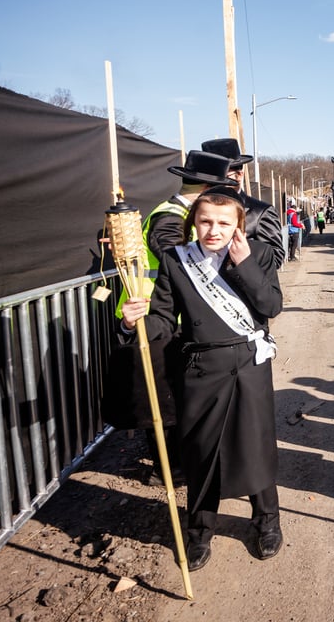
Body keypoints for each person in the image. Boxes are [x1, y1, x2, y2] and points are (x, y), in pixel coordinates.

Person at [119, 186, 284, 571]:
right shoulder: (177, 260)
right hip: (199, 369)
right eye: (206, 220)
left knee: (255, 448)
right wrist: (134, 321)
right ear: (194, 221)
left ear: (238, 225)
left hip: (248, 365)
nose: (214, 230)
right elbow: (162, 316)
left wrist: (244, 265)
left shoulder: (258, 254)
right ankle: (199, 531)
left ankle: (267, 522)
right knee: (202, 453)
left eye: (224, 223)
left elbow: (270, 305)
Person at [104, 149, 238, 486]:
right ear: (206, 191)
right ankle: (173, 467)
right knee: (162, 399)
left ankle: (181, 461)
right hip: (152, 315)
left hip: (173, 317)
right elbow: (178, 264)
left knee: (176, 396)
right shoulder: (169, 218)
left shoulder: (179, 213)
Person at [200, 138, 285, 267]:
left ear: (239, 175)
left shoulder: (260, 212)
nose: (216, 185)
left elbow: (275, 258)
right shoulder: (197, 209)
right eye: (210, 180)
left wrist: (239, 258)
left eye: (222, 179)